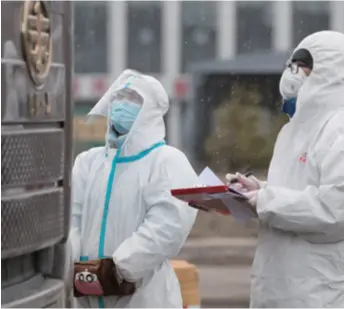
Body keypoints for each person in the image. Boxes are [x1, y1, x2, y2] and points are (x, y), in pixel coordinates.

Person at [226, 30, 344, 307]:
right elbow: (298, 192)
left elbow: (335, 209)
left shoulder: (338, 129)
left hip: (318, 291)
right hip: (276, 285)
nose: (294, 74)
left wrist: (265, 201)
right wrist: (258, 190)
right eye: (293, 65)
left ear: (332, 71)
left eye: (304, 66)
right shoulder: (292, 131)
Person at [69, 69, 198, 308]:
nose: (121, 105)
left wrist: (119, 269)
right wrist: (76, 267)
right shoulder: (88, 162)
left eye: (133, 99)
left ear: (150, 111)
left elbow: (167, 226)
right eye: (119, 97)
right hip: (85, 295)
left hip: (144, 297)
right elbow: (69, 218)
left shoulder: (167, 161)